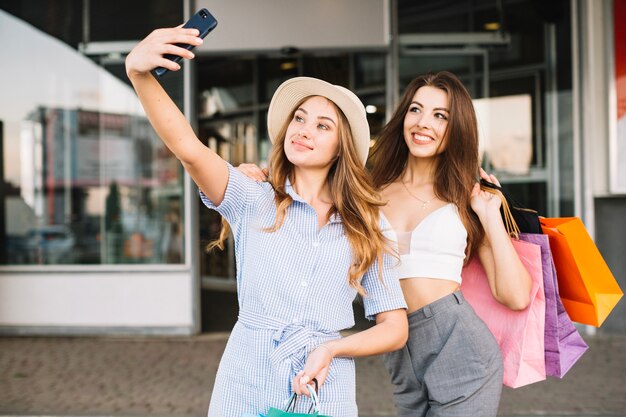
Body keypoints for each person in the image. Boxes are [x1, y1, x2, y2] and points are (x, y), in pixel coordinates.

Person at [124, 25, 408, 417]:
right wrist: (139, 75)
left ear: (341, 147)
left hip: (324, 385)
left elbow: (395, 328)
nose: (304, 130)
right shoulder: (250, 196)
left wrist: (332, 348)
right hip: (247, 377)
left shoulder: (366, 224)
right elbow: (189, 150)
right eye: (300, 118)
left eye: (322, 126)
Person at [367, 71, 532, 417]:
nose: (423, 123)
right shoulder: (371, 194)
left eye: (440, 116)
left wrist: (490, 216)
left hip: (459, 346)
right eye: (416, 110)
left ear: (456, 128)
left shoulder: (466, 199)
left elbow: (515, 296)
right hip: (398, 348)